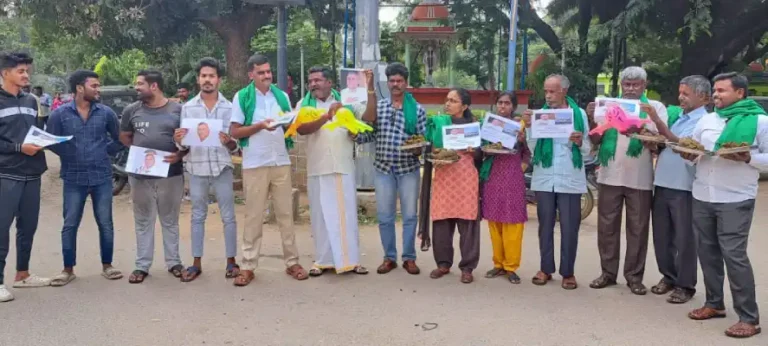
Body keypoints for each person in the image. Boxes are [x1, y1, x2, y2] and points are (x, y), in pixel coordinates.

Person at [679, 72, 766, 338]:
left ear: (740, 92)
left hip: (735, 197)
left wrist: (748, 157)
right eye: (714, 90)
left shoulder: (760, 121)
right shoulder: (707, 120)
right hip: (703, 195)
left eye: (722, 91)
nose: (715, 95)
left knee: (734, 256)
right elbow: (693, 152)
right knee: (707, 253)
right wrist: (688, 154)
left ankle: (748, 317)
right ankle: (714, 304)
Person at [586, 66, 667, 295]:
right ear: (621, 85)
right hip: (609, 174)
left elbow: (660, 142)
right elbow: (595, 140)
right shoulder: (608, 106)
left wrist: (645, 123)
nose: (631, 89)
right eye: (627, 84)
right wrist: (594, 119)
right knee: (607, 227)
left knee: (638, 229)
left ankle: (634, 277)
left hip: (640, 177)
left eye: (636, 84)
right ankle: (607, 274)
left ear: (644, 85)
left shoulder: (655, 108)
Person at [230, 54, 307, 286]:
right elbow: (235, 131)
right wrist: (259, 126)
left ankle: (292, 262)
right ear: (251, 75)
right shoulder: (242, 97)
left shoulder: (281, 96)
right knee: (254, 216)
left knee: (286, 214)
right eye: (261, 72)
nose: (266, 76)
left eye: (268, 71)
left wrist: (293, 121)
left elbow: (289, 124)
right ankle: (248, 265)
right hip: (255, 163)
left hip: (280, 161)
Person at [46, 69, 124, 286]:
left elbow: (119, 139)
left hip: (101, 176)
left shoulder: (105, 113)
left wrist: (104, 151)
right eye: (94, 86)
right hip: (73, 177)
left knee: (105, 223)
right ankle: (67, 269)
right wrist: (68, 154)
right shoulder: (59, 114)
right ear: (80, 88)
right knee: (70, 224)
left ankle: (107, 266)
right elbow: (50, 141)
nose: (98, 90)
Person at [643, 75, 710, 304]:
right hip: (662, 182)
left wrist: (657, 122)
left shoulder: (703, 121)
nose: (681, 97)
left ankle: (685, 285)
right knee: (662, 236)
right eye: (680, 93)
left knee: (685, 239)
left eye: (686, 94)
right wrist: (652, 140)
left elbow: (682, 143)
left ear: (702, 96)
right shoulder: (679, 117)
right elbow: (667, 144)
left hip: (685, 186)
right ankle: (668, 276)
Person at [296, 65, 368, 276]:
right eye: (310, 81)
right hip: (317, 167)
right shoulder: (304, 104)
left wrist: (370, 88)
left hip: (343, 166)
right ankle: (323, 261)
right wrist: (326, 116)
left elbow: (363, 122)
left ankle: (351, 261)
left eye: (317, 80)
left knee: (346, 216)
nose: (313, 84)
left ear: (329, 82)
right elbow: (301, 129)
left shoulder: (346, 103)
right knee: (320, 216)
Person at [173, 57, 240, 283]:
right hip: (197, 166)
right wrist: (179, 139)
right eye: (203, 76)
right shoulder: (188, 107)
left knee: (229, 216)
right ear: (198, 79)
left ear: (219, 80)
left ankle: (231, 261)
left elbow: (235, 146)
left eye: (212, 76)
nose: (207, 80)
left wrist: (228, 141)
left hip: (222, 166)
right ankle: (196, 263)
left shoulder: (230, 107)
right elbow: (184, 144)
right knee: (197, 216)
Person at [357, 62, 426, 275]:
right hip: (383, 169)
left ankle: (409, 258)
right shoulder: (379, 107)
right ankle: (389, 257)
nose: (395, 84)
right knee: (385, 216)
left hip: (409, 170)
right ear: (388, 83)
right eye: (392, 81)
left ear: (406, 83)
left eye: (399, 81)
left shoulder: (418, 110)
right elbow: (369, 133)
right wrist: (354, 134)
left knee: (410, 216)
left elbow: (422, 139)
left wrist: (417, 148)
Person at [522, 74, 591, 289]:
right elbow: (534, 148)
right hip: (545, 177)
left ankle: (568, 272)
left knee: (570, 227)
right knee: (545, 226)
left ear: (564, 91)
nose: (548, 96)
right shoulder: (540, 115)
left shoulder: (578, 114)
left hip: (569, 177)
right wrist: (528, 127)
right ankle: (545, 269)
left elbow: (588, 150)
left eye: (552, 91)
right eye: (546, 91)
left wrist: (579, 142)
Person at [119, 70, 187, 284]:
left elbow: (189, 139)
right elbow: (125, 137)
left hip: (171, 175)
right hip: (140, 176)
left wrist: (180, 154)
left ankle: (174, 262)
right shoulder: (132, 110)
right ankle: (142, 265)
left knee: (170, 220)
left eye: (140, 84)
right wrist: (141, 154)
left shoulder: (178, 110)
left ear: (154, 86)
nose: (136, 87)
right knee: (142, 220)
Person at [0, 52, 50, 302]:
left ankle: (23, 274)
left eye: (27, 71)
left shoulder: (31, 100)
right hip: (6, 173)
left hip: (32, 172)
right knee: (1, 229)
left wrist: (43, 140)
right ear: (5, 72)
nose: (26, 75)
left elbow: (35, 130)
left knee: (28, 226)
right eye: (21, 71)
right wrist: (20, 148)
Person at [423, 88, 482, 283]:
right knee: (441, 220)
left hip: (466, 178)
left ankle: (467, 267)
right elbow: (431, 147)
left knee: (468, 223)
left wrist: (474, 150)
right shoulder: (439, 123)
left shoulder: (473, 126)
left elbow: (481, 156)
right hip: (444, 176)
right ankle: (443, 264)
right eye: (447, 100)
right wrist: (436, 151)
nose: (447, 103)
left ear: (464, 106)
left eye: (453, 101)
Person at [481, 92, 530, 284]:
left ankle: (511, 266)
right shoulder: (488, 126)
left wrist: (521, 167)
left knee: (513, 222)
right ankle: (498, 264)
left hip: (512, 177)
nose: (503, 106)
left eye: (507, 103)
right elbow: (481, 148)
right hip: (492, 176)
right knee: (495, 221)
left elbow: (527, 153)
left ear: (513, 106)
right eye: (500, 103)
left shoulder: (520, 127)